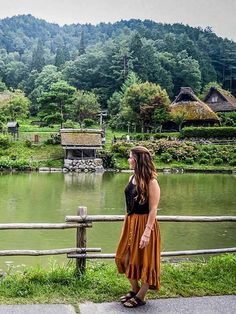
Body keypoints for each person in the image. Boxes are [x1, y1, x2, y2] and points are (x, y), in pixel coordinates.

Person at [115, 146, 161, 308]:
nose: (128, 160)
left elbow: (153, 208)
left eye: (130, 157)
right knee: (123, 256)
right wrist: (127, 220)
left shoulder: (151, 181)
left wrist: (147, 232)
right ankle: (134, 289)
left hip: (145, 224)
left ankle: (141, 296)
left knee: (146, 260)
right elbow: (130, 203)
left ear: (138, 159)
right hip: (131, 222)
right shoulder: (131, 178)